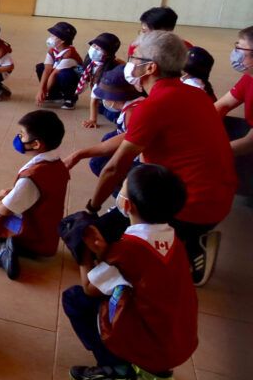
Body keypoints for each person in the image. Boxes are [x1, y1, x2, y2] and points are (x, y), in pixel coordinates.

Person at [85, 31, 236, 287]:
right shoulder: (196, 94)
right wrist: (82, 152)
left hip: (186, 207)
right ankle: (187, 240)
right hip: (218, 200)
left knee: (92, 239)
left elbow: (114, 168)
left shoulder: (153, 105)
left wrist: (91, 209)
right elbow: (133, 137)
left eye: (135, 58)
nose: (130, 63)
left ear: (151, 67)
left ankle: (181, 243)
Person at [63, 164, 198, 380]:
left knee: (76, 299)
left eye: (122, 189)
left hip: (151, 345)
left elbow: (90, 288)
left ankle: (116, 370)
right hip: (179, 343)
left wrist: (83, 253)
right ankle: (156, 368)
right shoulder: (175, 241)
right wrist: (106, 252)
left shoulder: (127, 250)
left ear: (126, 205)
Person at [0, 110, 69, 279]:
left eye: (22, 135)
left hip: (31, 235)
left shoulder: (32, 177)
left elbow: (4, 210)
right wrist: (12, 193)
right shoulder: (57, 166)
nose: (18, 138)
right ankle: (3, 245)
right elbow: (37, 196)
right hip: (46, 234)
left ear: (36, 144)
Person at [63, 65, 143, 178]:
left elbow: (131, 144)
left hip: (140, 156)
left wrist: (79, 154)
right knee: (107, 138)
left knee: (97, 163)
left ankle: (123, 191)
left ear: (116, 97)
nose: (103, 100)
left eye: (105, 96)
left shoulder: (131, 113)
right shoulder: (135, 103)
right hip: (128, 138)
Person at [215, 26, 253, 202]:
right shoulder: (249, 77)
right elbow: (221, 106)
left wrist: (208, 152)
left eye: (240, 49)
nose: (235, 53)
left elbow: (249, 143)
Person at [79, 32, 123, 128]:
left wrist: (92, 119)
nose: (94, 50)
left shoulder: (108, 70)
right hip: (104, 96)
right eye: (94, 46)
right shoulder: (92, 63)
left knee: (111, 114)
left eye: (99, 49)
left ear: (108, 54)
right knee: (101, 108)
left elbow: (94, 96)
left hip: (118, 101)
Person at [35, 21, 82, 110]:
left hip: (74, 79)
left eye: (53, 36)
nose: (50, 38)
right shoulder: (53, 50)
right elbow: (47, 70)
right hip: (58, 72)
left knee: (64, 74)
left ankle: (70, 98)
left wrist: (44, 92)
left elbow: (53, 74)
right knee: (40, 67)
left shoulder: (69, 54)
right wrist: (41, 90)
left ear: (62, 40)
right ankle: (55, 95)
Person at [125, 7, 192, 58]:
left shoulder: (186, 49)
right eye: (142, 31)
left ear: (166, 32)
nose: (143, 35)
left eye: (146, 32)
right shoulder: (136, 46)